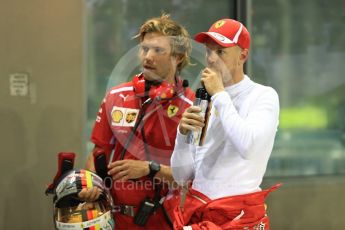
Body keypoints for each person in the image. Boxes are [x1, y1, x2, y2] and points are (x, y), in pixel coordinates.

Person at [80, 14, 195, 230]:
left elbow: (194, 175)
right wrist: (92, 184)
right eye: (144, 49)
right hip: (114, 220)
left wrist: (150, 169)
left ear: (177, 57)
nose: (147, 57)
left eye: (158, 50)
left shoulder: (193, 107)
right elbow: (98, 152)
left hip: (165, 220)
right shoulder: (116, 96)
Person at [170, 18, 280, 229]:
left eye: (220, 52)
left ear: (243, 55)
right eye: (208, 51)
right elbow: (182, 176)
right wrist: (182, 136)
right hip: (199, 210)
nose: (211, 59)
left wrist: (220, 94)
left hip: (237, 216)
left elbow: (248, 147)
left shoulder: (263, 96)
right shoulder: (204, 100)